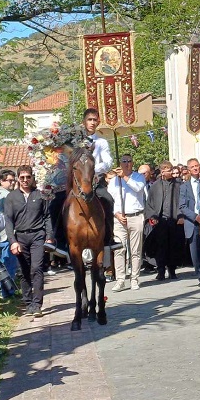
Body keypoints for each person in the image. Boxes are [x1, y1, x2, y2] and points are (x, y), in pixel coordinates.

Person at [3, 165, 54, 317]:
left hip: (37, 235)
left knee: (36, 269)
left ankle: (37, 304)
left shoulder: (40, 195)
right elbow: (8, 221)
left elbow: (47, 216)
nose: (25, 180)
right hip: (20, 238)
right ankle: (28, 302)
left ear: (32, 178)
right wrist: (12, 241)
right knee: (23, 271)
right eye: (22, 177)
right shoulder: (11, 197)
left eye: (28, 177)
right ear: (18, 179)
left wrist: (49, 236)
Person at [82, 108, 123, 253]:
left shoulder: (101, 142)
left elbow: (108, 162)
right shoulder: (75, 140)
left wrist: (92, 168)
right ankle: (57, 239)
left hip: (95, 181)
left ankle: (109, 238)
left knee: (108, 200)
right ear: (84, 121)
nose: (92, 123)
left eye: (95, 120)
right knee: (59, 200)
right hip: (78, 180)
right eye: (90, 119)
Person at [108, 154, 148, 292]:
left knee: (135, 250)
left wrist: (125, 178)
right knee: (119, 249)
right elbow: (110, 200)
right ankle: (120, 279)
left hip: (135, 216)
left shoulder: (138, 177)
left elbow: (138, 188)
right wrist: (117, 213)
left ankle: (134, 278)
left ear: (132, 163)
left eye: (129, 161)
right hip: (119, 218)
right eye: (124, 161)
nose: (126, 164)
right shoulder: (114, 181)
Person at [145, 161, 183, 280]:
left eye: (171, 169)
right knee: (161, 246)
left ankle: (172, 270)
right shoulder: (155, 186)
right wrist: (152, 216)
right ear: (162, 171)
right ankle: (161, 270)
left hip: (174, 220)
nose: (171, 171)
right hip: (160, 220)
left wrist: (181, 215)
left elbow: (183, 201)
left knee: (173, 245)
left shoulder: (179, 184)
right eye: (168, 169)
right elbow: (149, 203)